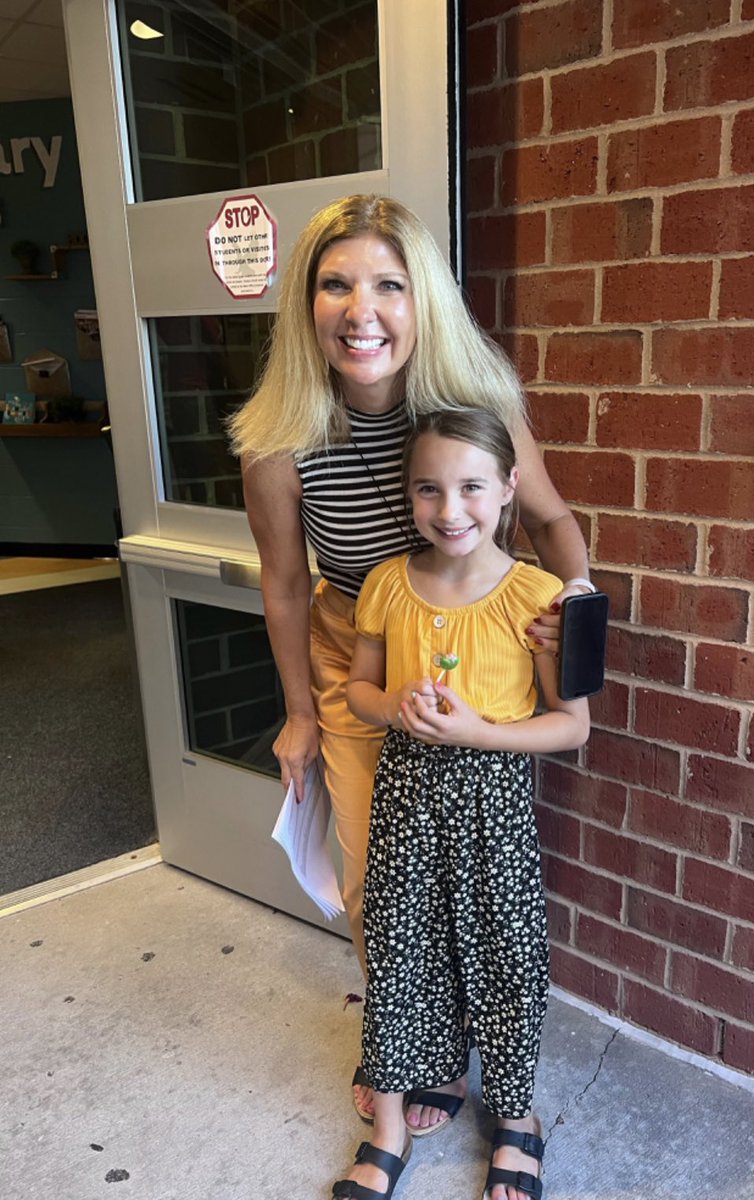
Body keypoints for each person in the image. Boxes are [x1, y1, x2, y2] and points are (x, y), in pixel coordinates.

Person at [229, 194, 596, 1130]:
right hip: (356, 654)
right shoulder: (278, 442)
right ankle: (412, 1046)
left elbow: (550, 520)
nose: (363, 311)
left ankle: (476, 1036)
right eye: (336, 285)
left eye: (389, 285)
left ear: (422, 297)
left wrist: (575, 611)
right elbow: (284, 586)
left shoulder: (476, 405)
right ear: (306, 304)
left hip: (479, 656)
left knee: (477, 881)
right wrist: (300, 713)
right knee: (377, 880)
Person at [335, 409, 590, 1200]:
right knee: (402, 949)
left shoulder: (537, 596)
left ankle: (516, 1116)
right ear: (408, 493)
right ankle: (391, 1122)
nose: (450, 510)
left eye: (472, 487)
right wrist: (392, 705)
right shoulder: (386, 583)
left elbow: (571, 725)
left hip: (493, 803)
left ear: (510, 487)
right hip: (406, 795)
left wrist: (480, 731)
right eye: (429, 489)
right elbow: (358, 689)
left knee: (506, 955)